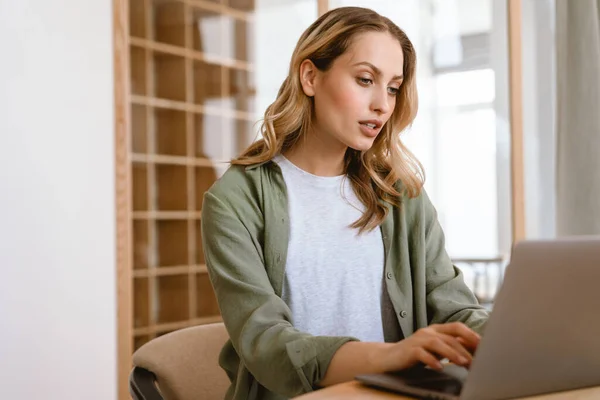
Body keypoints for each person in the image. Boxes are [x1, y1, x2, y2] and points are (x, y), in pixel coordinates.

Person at [201, 6, 489, 400]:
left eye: (392, 87)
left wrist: (519, 335)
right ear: (310, 77)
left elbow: (453, 308)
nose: (383, 105)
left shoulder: (400, 195)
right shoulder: (235, 201)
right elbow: (266, 343)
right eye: (366, 79)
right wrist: (391, 355)